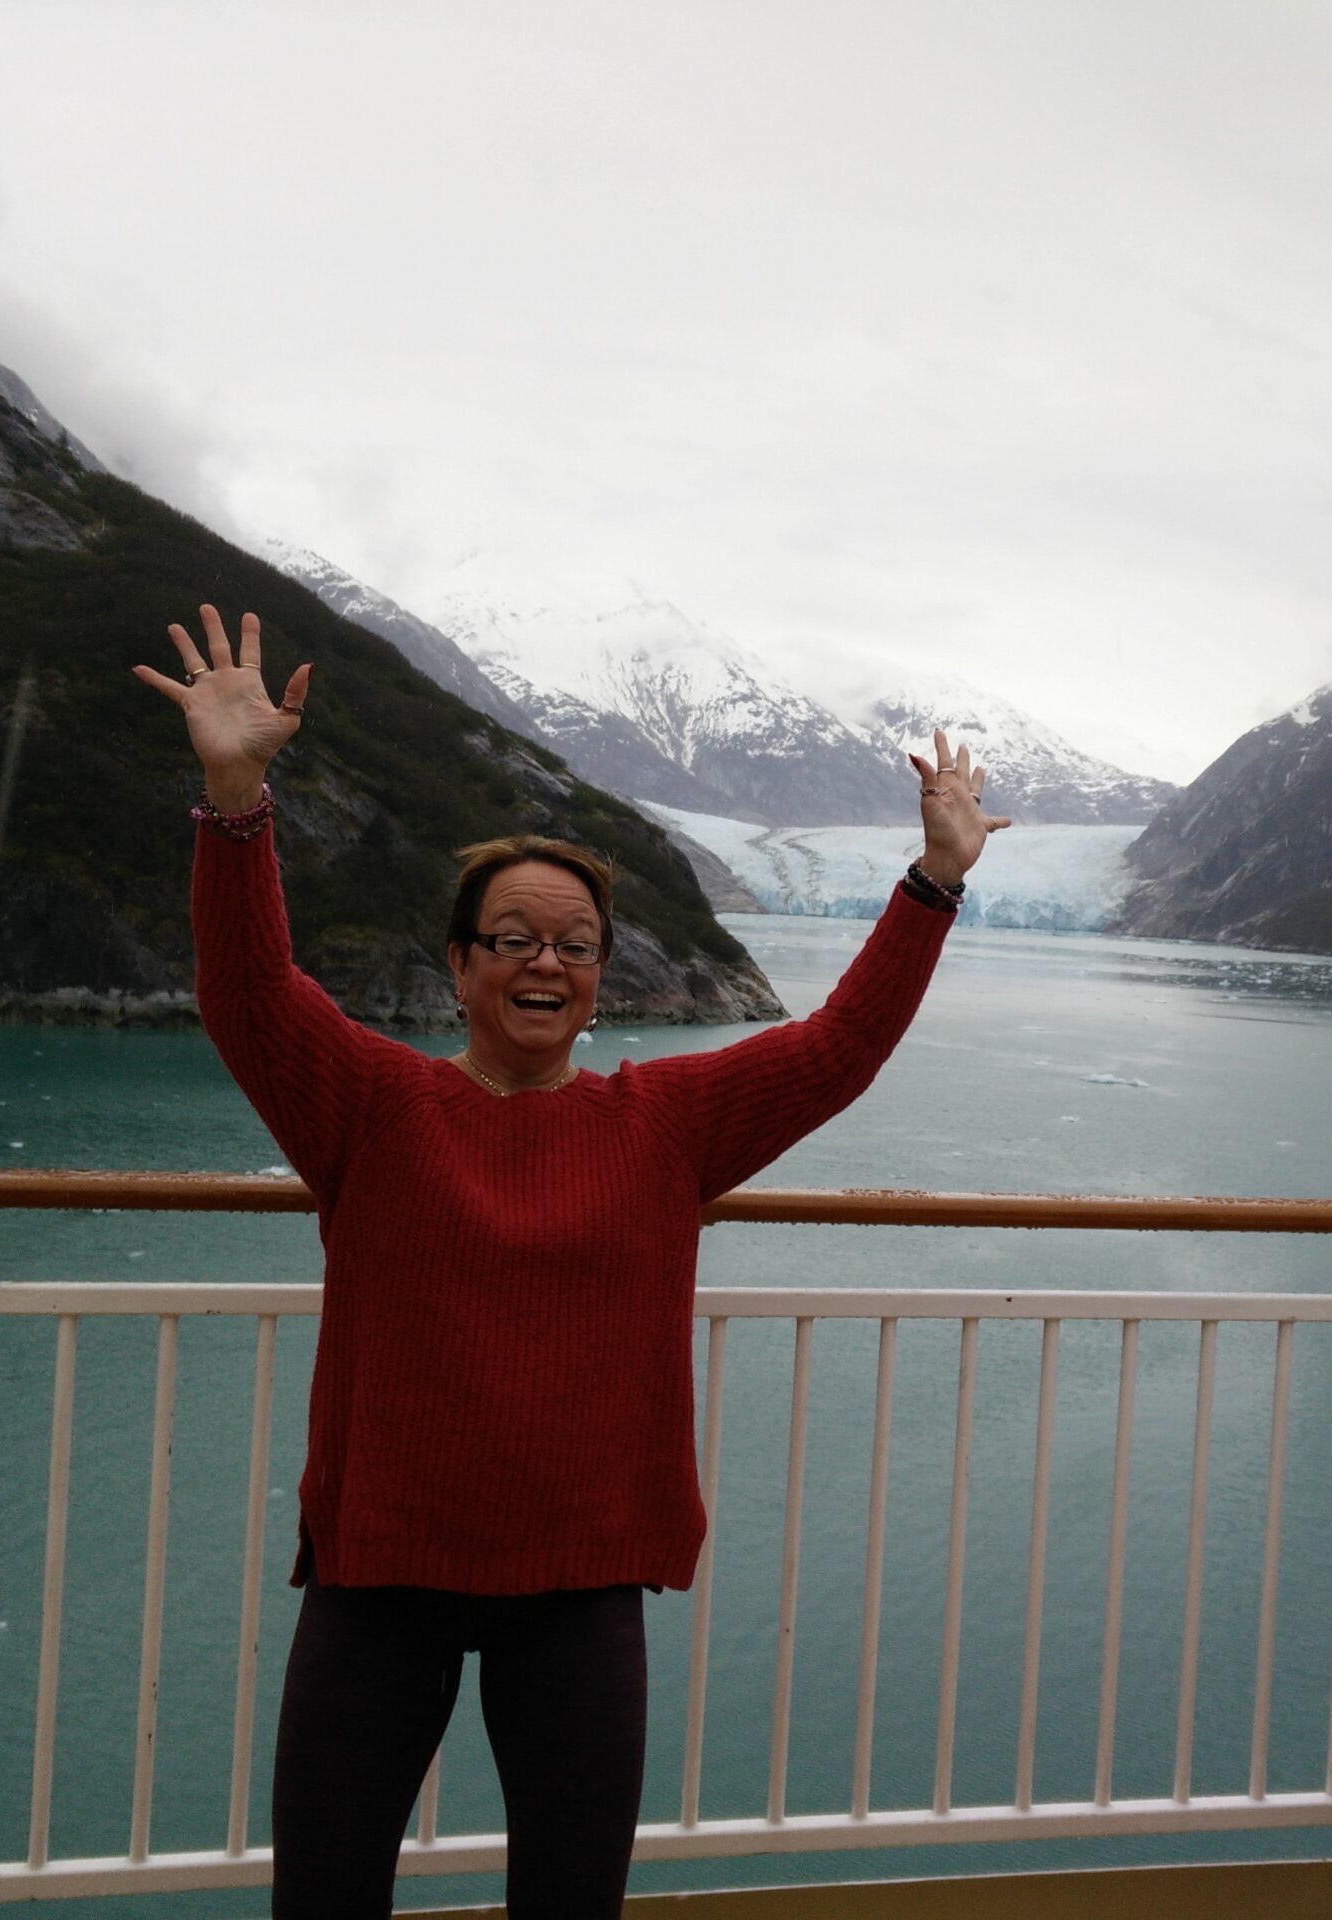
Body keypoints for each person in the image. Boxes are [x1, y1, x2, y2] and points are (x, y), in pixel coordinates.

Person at [133, 605, 1011, 1919]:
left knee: (571, 1902)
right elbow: (250, 992)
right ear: (459, 964)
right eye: (514, 938)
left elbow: (840, 1048)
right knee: (325, 1895)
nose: (546, 961)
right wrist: (235, 798)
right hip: (383, 1570)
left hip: (583, 1582)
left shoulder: (663, 1125)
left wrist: (933, 883)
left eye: (576, 945)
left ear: (602, 976)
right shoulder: (368, 1105)